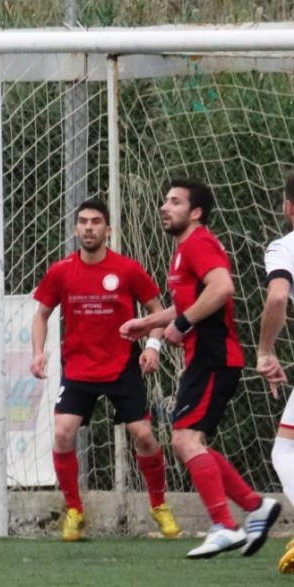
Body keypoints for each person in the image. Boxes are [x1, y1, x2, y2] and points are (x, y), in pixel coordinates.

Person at [120, 179, 280, 559]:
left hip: (214, 357)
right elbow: (194, 300)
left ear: (195, 212)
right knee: (190, 443)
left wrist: (183, 323)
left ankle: (225, 524)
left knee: (184, 442)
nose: (164, 206)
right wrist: (148, 324)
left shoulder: (198, 242)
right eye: (164, 200)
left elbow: (222, 287)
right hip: (205, 358)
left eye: (175, 202)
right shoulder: (183, 250)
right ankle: (255, 506)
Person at [30, 198, 179, 542]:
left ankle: (158, 505)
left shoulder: (127, 269)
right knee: (63, 433)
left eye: (96, 221)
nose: (88, 227)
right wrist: (38, 353)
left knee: (142, 435)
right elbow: (40, 315)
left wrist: (153, 347)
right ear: (75, 229)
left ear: (108, 230)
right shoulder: (61, 270)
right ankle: (74, 511)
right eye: (82, 221)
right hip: (78, 368)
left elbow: (157, 311)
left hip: (122, 366)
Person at [254, 170, 294, 574]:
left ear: (287, 207)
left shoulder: (285, 247)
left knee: (285, 449)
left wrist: (265, 351)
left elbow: (278, 295)